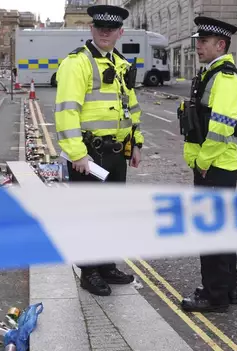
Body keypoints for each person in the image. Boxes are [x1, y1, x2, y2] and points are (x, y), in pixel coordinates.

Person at [54, 4, 144, 297]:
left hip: (117, 153)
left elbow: (131, 108)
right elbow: (66, 112)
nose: (105, 33)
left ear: (120, 32)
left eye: (111, 29)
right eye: (100, 28)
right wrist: (77, 153)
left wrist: (136, 144)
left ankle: (106, 265)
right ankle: (89, 272)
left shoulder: (120, 63)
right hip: (89, 155)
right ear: (91, 29)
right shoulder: (76, 63)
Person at [178, 16, 237, 313]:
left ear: (221, 44)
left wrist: (202, 161)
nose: (198, 46)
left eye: (203, 42)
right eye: (198, 41)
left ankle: (213, 295)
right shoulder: (211, 74)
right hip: (212, 164)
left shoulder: (226, 78)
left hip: (215, 166)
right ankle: (226, 290)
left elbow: (221, 128)